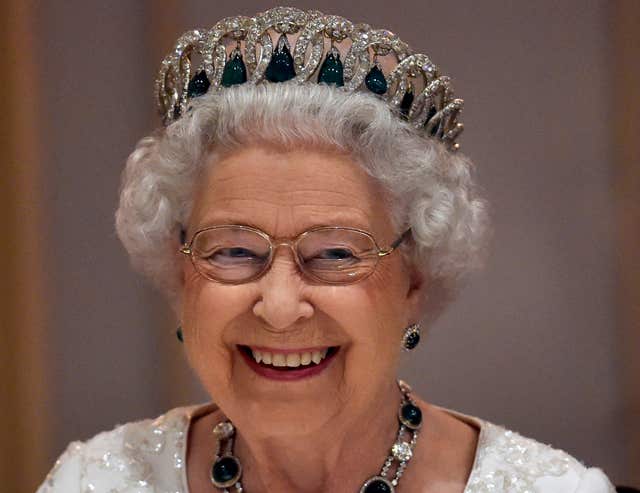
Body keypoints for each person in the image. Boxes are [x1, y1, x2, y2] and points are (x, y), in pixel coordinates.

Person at [36, 6, 616, 493]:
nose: (280, 306)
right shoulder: (94, 478)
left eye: (337, 255)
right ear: (180, 270)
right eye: (234, 251)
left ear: (414, 279)